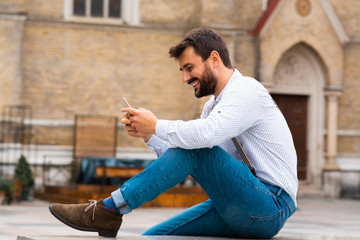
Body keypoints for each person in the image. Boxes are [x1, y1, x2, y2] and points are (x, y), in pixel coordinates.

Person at [49, 28, 298, 238]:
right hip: (237, 203)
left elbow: (203, 140)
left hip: (271, 206)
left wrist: (156, 124)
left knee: (198, 146)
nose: (185, 78)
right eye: (182, 70)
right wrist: (148, 135)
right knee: (154, 237)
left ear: (214, 59)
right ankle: (110, 213)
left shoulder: (247, 90)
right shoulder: (214, 106)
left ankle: (109, 211)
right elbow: (184, 159)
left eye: (189, 68)